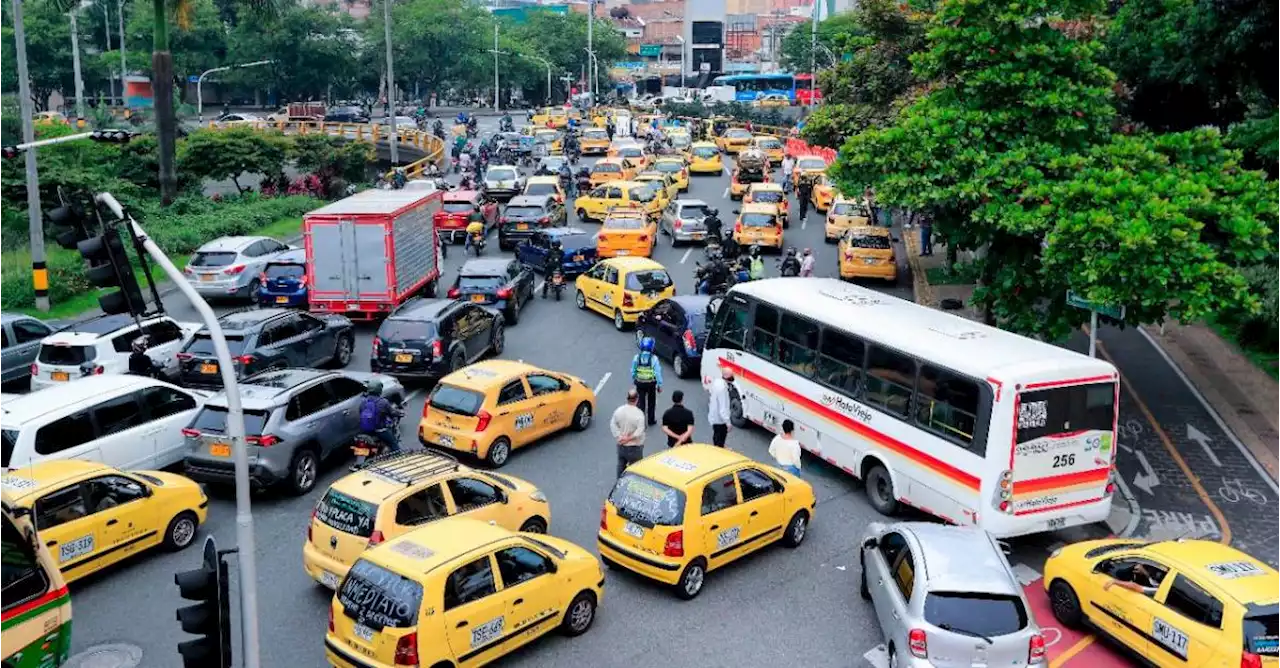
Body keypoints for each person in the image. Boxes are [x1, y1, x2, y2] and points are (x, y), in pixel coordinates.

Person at [357, 380, 402, 461]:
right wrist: (400, 413)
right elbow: (392, 412)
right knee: (394, 444)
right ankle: (400, 460)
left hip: (365, 430)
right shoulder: (383, 402)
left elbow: (361, 413)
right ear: (379, 390)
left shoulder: (363, 402)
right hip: (380, 431)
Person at [610, 388, 647, 478]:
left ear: (627, 398)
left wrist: (619, 437)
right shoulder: (639, 414)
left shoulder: (619, 410)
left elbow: (613, 424)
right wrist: (628, 438)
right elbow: (639, 431)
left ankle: (619, 482)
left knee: (621, 465)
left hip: (621, 445)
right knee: (636, 468)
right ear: (637, 399)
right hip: (635, 447)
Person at [631, 337, 664, 425]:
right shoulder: (654, 359)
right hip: (651, 384)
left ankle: (641, 422)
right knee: (651, 402)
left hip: (640, 383)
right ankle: (651, 420)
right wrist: (659, 385)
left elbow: (633, 371)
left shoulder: (636, 358)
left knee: (641, 402)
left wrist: (634, 378)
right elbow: (657, 373)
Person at [707, 368, 733, 447]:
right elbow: (723, 408)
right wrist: (728, 423)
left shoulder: (717, 382)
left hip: (714, 417)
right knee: (719, 440)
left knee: (716, 437)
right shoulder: (723, 389)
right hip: (720, 421)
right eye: (731, 376)